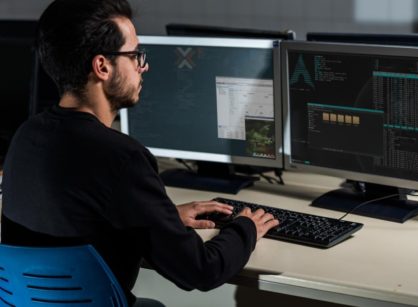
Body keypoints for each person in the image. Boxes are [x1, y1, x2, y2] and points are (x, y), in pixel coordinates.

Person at [0, 0, 279, 306]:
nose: (143, 66)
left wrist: (163, 219)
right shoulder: (122, 157)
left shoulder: (26, 137)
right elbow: (201, 271)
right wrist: (246, 229)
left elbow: (71, 226)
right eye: (134, 56)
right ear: (102, 66)